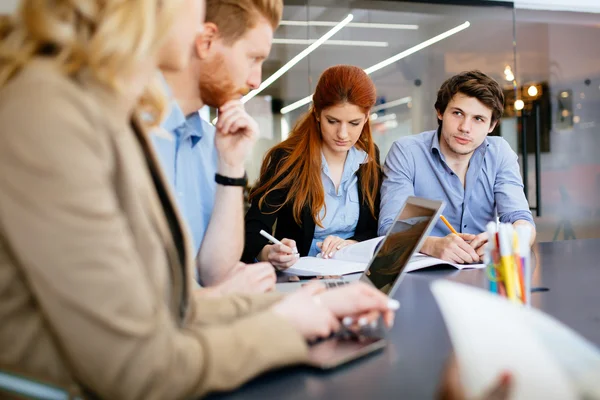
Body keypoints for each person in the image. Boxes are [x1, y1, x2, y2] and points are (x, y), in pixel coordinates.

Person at [0, 2, 399, 399]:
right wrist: (285, 327)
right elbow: (138, 367)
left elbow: (169, 307)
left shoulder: (103, 110)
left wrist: (306, 307)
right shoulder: (51, 110)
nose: (202, 17)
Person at [153, 0, 281, 290]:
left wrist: (231, 167)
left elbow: (214, 273)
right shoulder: (131, 130)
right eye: (253, 58)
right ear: (207, 41)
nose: (256, 81)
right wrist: (227, 297)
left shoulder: (213, 144)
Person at [379, 70, 536, 264]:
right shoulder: (407, 152)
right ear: (440, 112)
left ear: (492, 126)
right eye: (457, 113)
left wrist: (508, 241)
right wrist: (430, 245)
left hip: (483, 271)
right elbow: (389, 227)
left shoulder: (499, 153)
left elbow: (520, 219)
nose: (465, 127)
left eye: (478, 119)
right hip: (423, 271)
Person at [243, 65, 382, 270]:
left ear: (367, 116)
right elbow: (252, 230)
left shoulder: (368, 158)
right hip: (300, 277)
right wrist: (267, 252)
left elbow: (375, 228)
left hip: (354, 273)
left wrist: (352, 244)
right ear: (317, 113)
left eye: (354, 123)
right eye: (332, 121)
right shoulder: (288, 160)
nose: (343, 134)